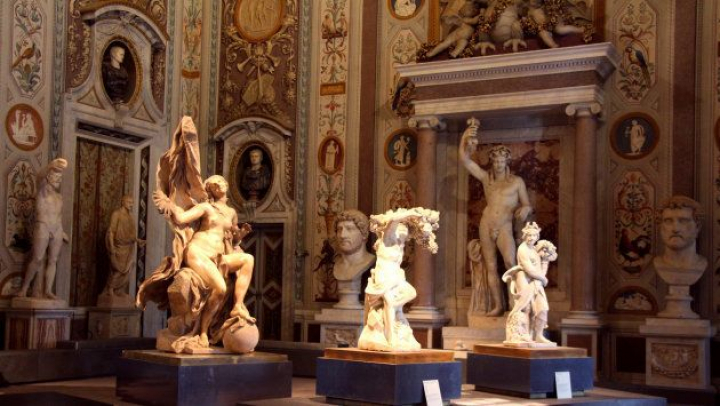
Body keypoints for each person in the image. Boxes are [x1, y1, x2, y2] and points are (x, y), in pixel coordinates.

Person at [460, 119, 532, 316]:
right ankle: (498, 305)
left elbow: (527, 204)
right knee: (490, 266)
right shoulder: (486, 179)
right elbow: (465, 161)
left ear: (507, 162)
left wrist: (525, 209)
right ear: (492, 162)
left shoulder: (517, 182)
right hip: (486, 223)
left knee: (510, 264)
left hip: (505, 225)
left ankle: (515, 304)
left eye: (502, 161)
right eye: (496, 161)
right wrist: (465, 137)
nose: (499, 164)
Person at [357, 207, 438, 352]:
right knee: (388, 300)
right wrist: (410, 214)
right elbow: (393, 220)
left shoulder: (400, 245)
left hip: (396, 277)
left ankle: (394, 312)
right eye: (401, 232)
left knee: (411, 293)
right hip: (383, 277)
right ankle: (390, 337)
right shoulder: (387, 240)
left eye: (405, 235)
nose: (403, 238)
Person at [17, 158, 69, 299]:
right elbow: (39, 177)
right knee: (38, 258)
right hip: (43, 226)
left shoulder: (59, 197)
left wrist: (62, 231)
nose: (58, 180)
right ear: (49, 177)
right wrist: (52, 165)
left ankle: (48, 290)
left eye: (60, 178)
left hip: (57, 229)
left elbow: (58, 215)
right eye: (56, 177)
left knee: (53, 260)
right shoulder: (43, 192)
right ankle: (24, 288)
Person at [502, 222, 557, 345]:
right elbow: (529, 269)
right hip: (523, 278)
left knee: (542, 307)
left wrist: (545, 261)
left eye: (533, 235)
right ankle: (525, 334)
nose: (531, 238)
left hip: (535, 281)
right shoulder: (523, 249)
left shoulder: (535, 250)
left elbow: (540, 271)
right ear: (525, 236)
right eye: (529, 235)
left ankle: (539, 335)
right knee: (526, 307)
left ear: (537, 236)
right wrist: (543, 279)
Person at [101, 196, 145, 302]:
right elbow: (111, 231)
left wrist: (138, 240)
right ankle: (110, 288)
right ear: (123, 202)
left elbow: (131, 235)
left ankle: (119, 290)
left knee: (128, 269)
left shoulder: (130, 217)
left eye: (132, 202)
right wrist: (112, 246)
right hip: (118, 247)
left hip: (129, 247)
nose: (131, 204)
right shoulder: (117, 214)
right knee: (119, 269)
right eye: (129, 202)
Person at [654, 196, 706, 272]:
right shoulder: (652, 267)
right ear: (660, 226)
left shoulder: (706, 266)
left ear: (697, 227)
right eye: (668, 221)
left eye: (683, 221)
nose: (676, 229)